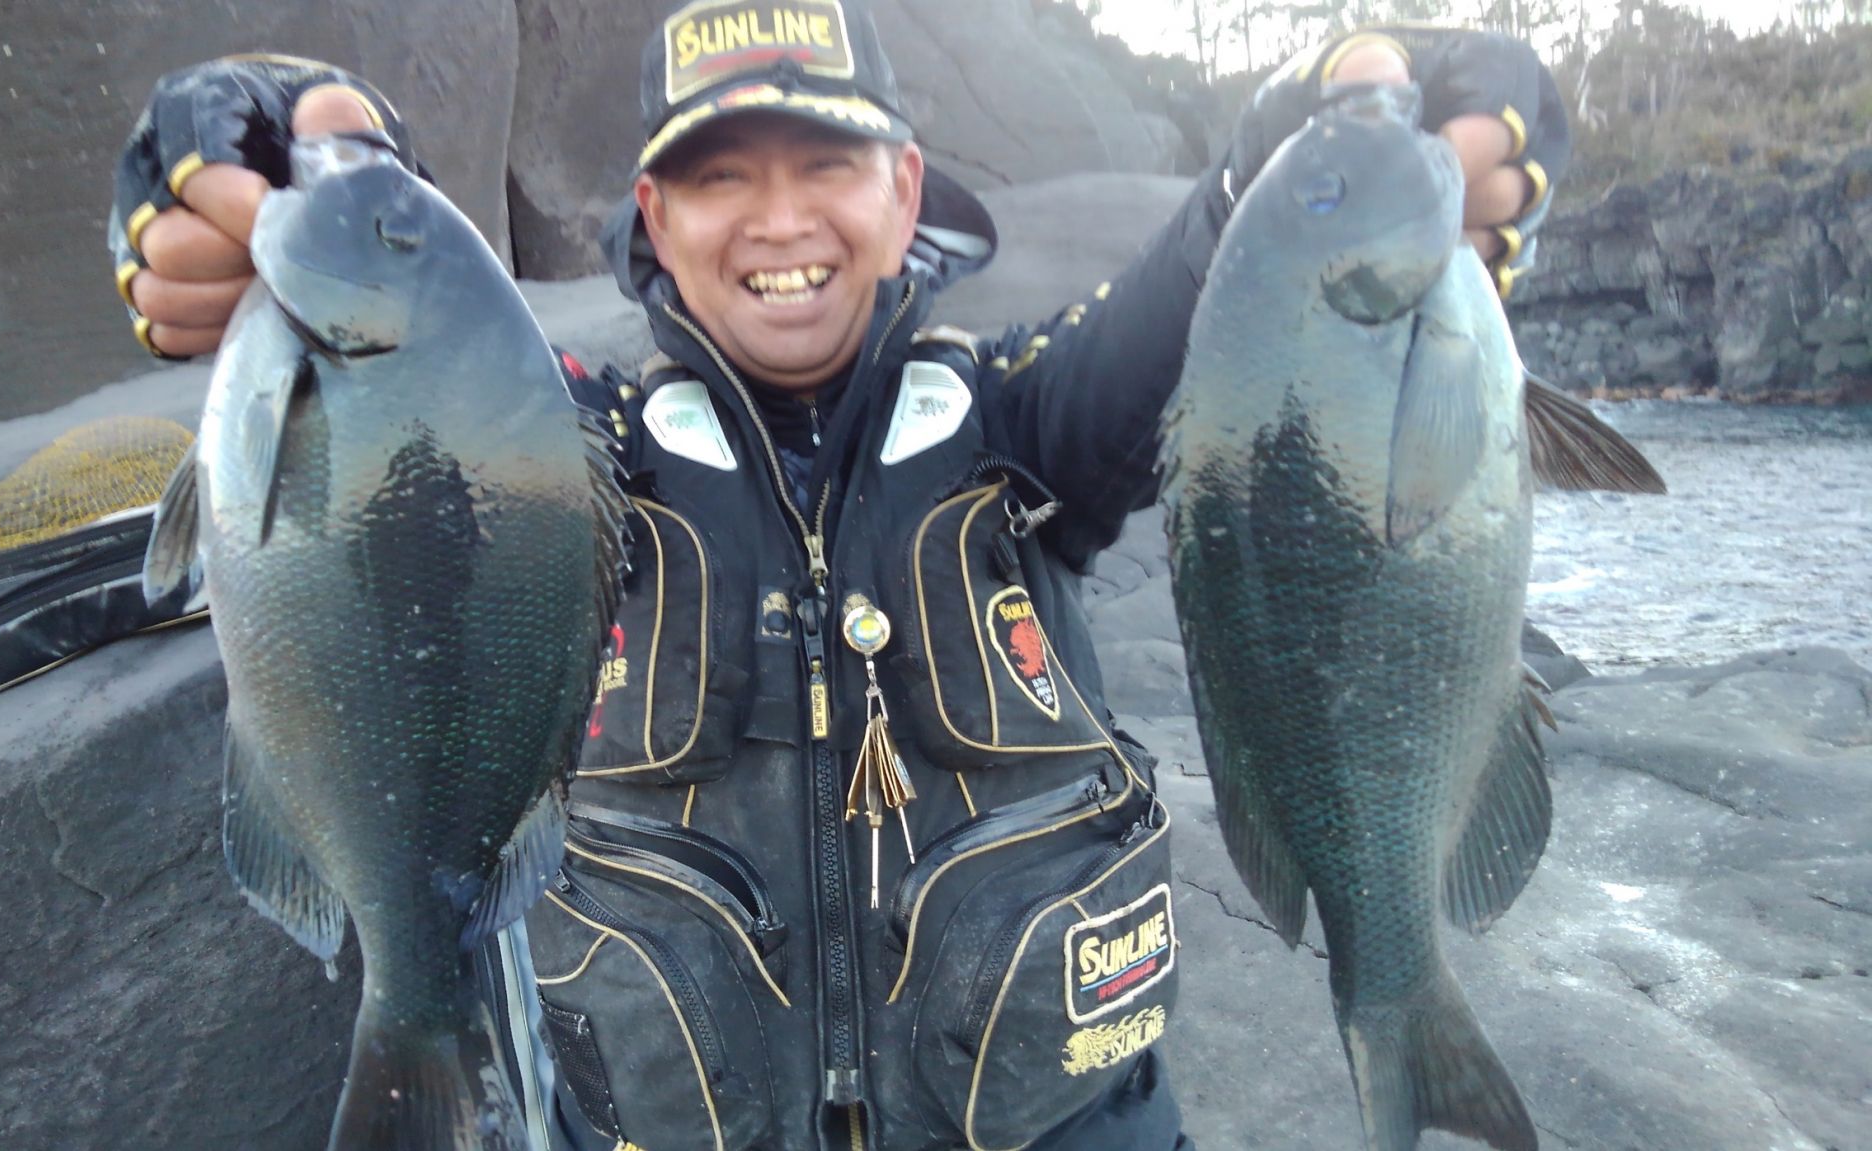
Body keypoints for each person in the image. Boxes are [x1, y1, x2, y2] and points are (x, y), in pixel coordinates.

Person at [108, 5, 1569, 1148]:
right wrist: (263, 152)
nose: (781, 218)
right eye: (718, 175)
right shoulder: (570, 448)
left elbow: (1221, 271)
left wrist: (1340, 126)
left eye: (828, 163)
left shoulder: (1029, 419)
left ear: (905, 184)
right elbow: (423, 355)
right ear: (652, 218)